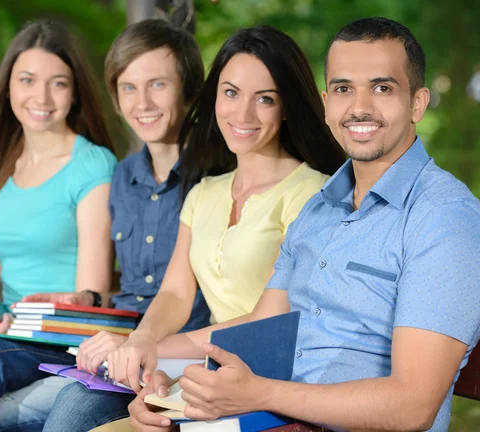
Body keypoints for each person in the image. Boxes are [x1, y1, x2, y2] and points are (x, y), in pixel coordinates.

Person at [128, 17, 480, 432]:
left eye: (382, 88)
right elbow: (262, 325)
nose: (359, 107)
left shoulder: (443, 219)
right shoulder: (319, 209)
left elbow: (412, 406)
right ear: (327, 103)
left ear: (418, 103)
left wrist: (259, 394)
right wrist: (173, 382)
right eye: (344, 89)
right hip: (271, 420)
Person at [43, 25, 345, 431]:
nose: (243, 114)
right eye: (231, 93)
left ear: (287, 105)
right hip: (207, 375)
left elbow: (270, 318)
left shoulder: (311, 193)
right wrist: (144, 339)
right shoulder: (205, 192)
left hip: (273, 385)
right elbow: (174, 293)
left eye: (265, 99)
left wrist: (151, 347)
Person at [0, 19, 212, 432]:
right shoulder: (124, 177)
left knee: (56, 414)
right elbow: (125, 282)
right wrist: (86, 296)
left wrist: (140, 344)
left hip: (183, 349)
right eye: (128, 88)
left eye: (158, 85)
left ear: (190, 89)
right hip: (119, 345)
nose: (142, 102)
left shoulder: (215, 175)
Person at [0, 20, 118, 432]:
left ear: (74, 94)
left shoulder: (91, 166)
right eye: (27, 80)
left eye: (57, 83)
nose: (41, 96)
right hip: (5, 338)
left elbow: (91, 294)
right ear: (9, 87)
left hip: (61, 341)